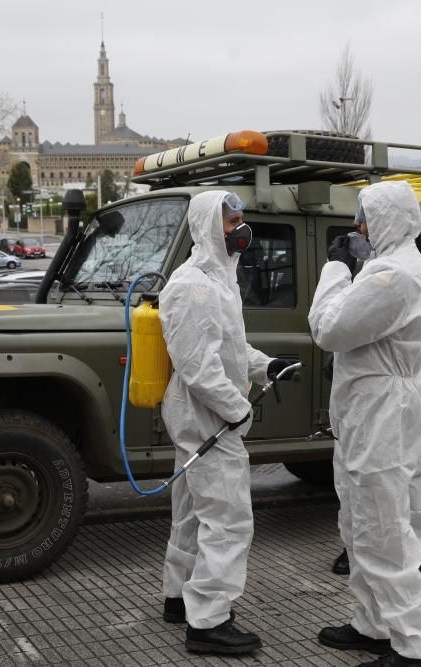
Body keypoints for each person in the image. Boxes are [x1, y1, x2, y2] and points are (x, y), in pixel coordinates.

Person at [309, 181, 421, 667]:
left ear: (388, 219)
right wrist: (413, 383)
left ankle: (415, 647)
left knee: (383, 528)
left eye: (364, 217)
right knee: (359, 521)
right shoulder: (420, 271)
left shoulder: (392, 275)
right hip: (380, 408)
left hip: (379, 413)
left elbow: (327, 330)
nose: (357, 227)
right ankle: (372, 625)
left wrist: (335, 269)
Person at [158, 190, 296, 655]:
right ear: (206, 225)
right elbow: (199, 367)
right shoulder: (194, 285)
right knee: (229, 520)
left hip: (199, 411)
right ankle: (209, 620)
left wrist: (265, 365)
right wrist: (237, 409)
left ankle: (179, 597)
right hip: (207, 414)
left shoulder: (219, 278)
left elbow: (227, 349)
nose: (240, 225)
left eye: (240, 216)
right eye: (230, 219)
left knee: (192, 512)